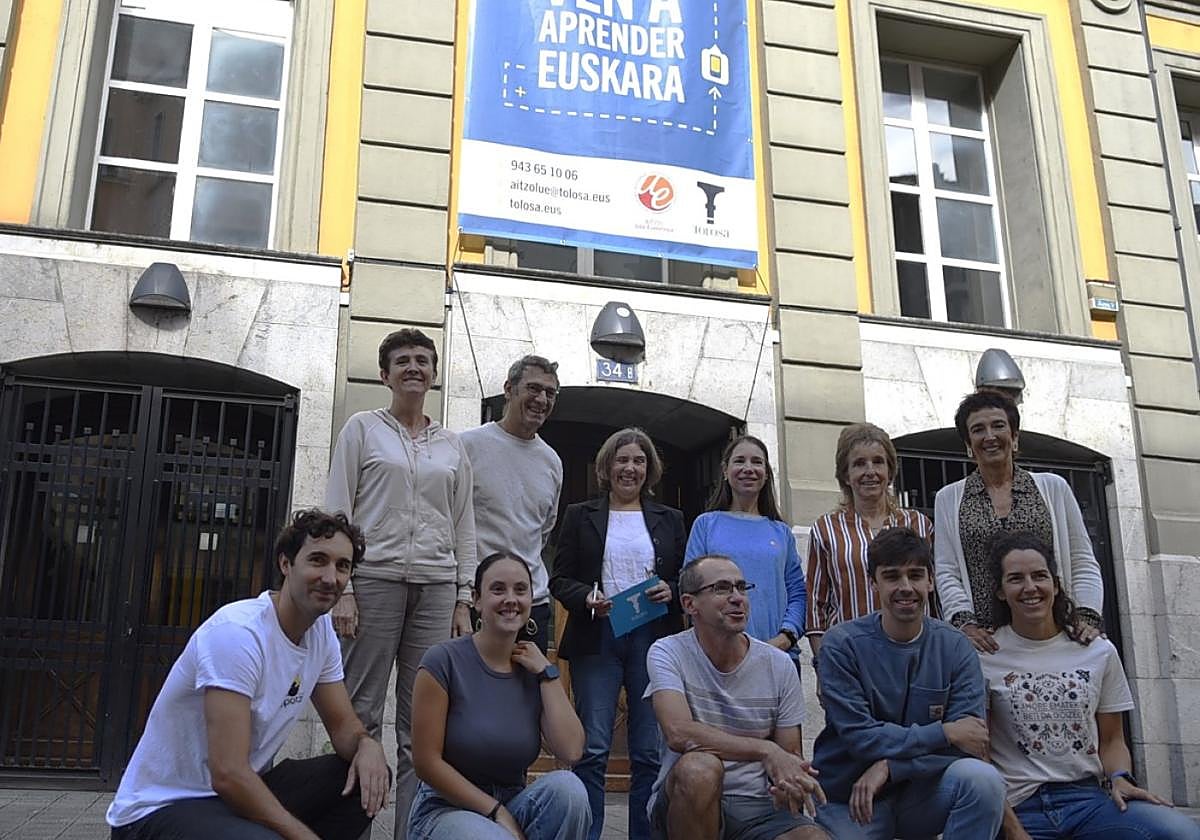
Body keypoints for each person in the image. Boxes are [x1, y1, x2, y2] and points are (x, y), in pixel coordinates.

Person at [107, 509, 390, 840]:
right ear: (286, 564)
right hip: (160, 809)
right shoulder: (239, 634)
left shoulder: (320, 633)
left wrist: (366, 746)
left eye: (343, 566)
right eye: (318, 560)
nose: (331, 577)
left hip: (227, 801)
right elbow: (227, 773)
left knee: (364, 776)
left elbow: (343, 726)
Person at [324, 328, 476, 838]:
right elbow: (338, 510)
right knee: (360, 715)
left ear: (433, 374)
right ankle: (353, 828)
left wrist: (463, 596)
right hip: (373, 583)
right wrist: (342, 586)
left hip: (436, 587)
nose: (414, 367)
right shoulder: (362, 429)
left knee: (422, 730)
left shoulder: (452, 445)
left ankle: (411, 833)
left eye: (423, 360)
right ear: (385, 374)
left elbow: (464, 522)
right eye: (403, 360)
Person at [983, 531, 1200, 840]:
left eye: (1040, 576)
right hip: (1019, 805)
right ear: (1001, 591)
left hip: (1089, 802)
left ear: (1055, 585)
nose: (1030, 587)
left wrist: (1120, 777)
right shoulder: (986, 656)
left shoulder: (1098, 651)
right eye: (1016, 579)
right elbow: (981, 754)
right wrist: (1011, 827)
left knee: (1180, 833)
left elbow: (1112, 740)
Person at [813, 526, 1006, 840]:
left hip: (924, 794)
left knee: (982, 780)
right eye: (892, 576)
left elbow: (969, 741)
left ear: (930, 581)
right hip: (852, 795)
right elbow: (861, 738)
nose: (906, 587)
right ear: (874, 583)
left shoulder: (956, 647)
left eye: (915, 575)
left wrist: (892, 766)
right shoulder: (841, 644)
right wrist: (943, 731)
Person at [549, 427, 686, 840]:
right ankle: (587, 833)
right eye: (622, 460)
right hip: (599, 637)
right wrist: (585, 596)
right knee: (591, 749)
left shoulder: (671, 519)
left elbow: (686, 577)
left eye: (639, 461)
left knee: (647, 751)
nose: (631, 468)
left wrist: (674, 589)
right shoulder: (579, 514)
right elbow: (559, 578)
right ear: (607, 467)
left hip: (653, 638)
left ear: (650, 469)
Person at [408, 551, 590, 840]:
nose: (510, 599)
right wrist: (495, 812)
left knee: (570, 791)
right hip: (444, 810)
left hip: (513, 802)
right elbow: (426, 763)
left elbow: (571, 751)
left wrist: (547, 673)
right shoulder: (443, 661)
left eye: (520, 590)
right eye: (497, 589)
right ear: (477, 600)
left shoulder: (533, 668)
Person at [644, 554, 827, 840]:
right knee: (700, 768)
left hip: (759, 805)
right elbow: (679, 733)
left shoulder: (777, 664)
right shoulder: (668, 652)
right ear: (690, 604)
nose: (737, 598)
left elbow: (789, 754)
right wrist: (765, 750)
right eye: (722, 588)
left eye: (742, 588)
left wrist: (788, 782)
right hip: (687, 799)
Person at [934, 390, 1104, 654]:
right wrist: (964, 624)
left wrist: (1086, 616)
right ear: (968, 444)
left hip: (1053, 635)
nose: (989, 436)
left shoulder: (1054, 488)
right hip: (986, 644)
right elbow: (947, 572)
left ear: (1014, 437)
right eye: (978, 429)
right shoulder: (949, 498)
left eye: (998, 426)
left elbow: (1082, 560)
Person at [806, 423, 934, 666]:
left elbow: (934, 597)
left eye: (878, 462)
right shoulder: (826, 529)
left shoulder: (919, 524)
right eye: (859, 464)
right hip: (850, 658)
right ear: (845, 474)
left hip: (916, 656)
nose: (870, 471)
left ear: (890, 470)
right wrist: (824, 665)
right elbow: (815, 606)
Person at [461, 355, 563, 652]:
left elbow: (542, 531)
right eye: (533, 388)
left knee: (529, 697)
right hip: (476, 602)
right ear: (508, 389)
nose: (541, 399)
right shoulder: (467, 445)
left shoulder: (552, 461)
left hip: (531, 605)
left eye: (550, 393)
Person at [684, 435, 806, 673]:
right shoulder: (706, 525)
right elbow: (690, 588)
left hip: (777, 658)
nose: (748, 469)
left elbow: (798, 593)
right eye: (739, 461)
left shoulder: (781, 532)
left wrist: (785, 638)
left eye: (757, 462)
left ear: (767, 473)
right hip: (718, 661)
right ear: (725, 471)